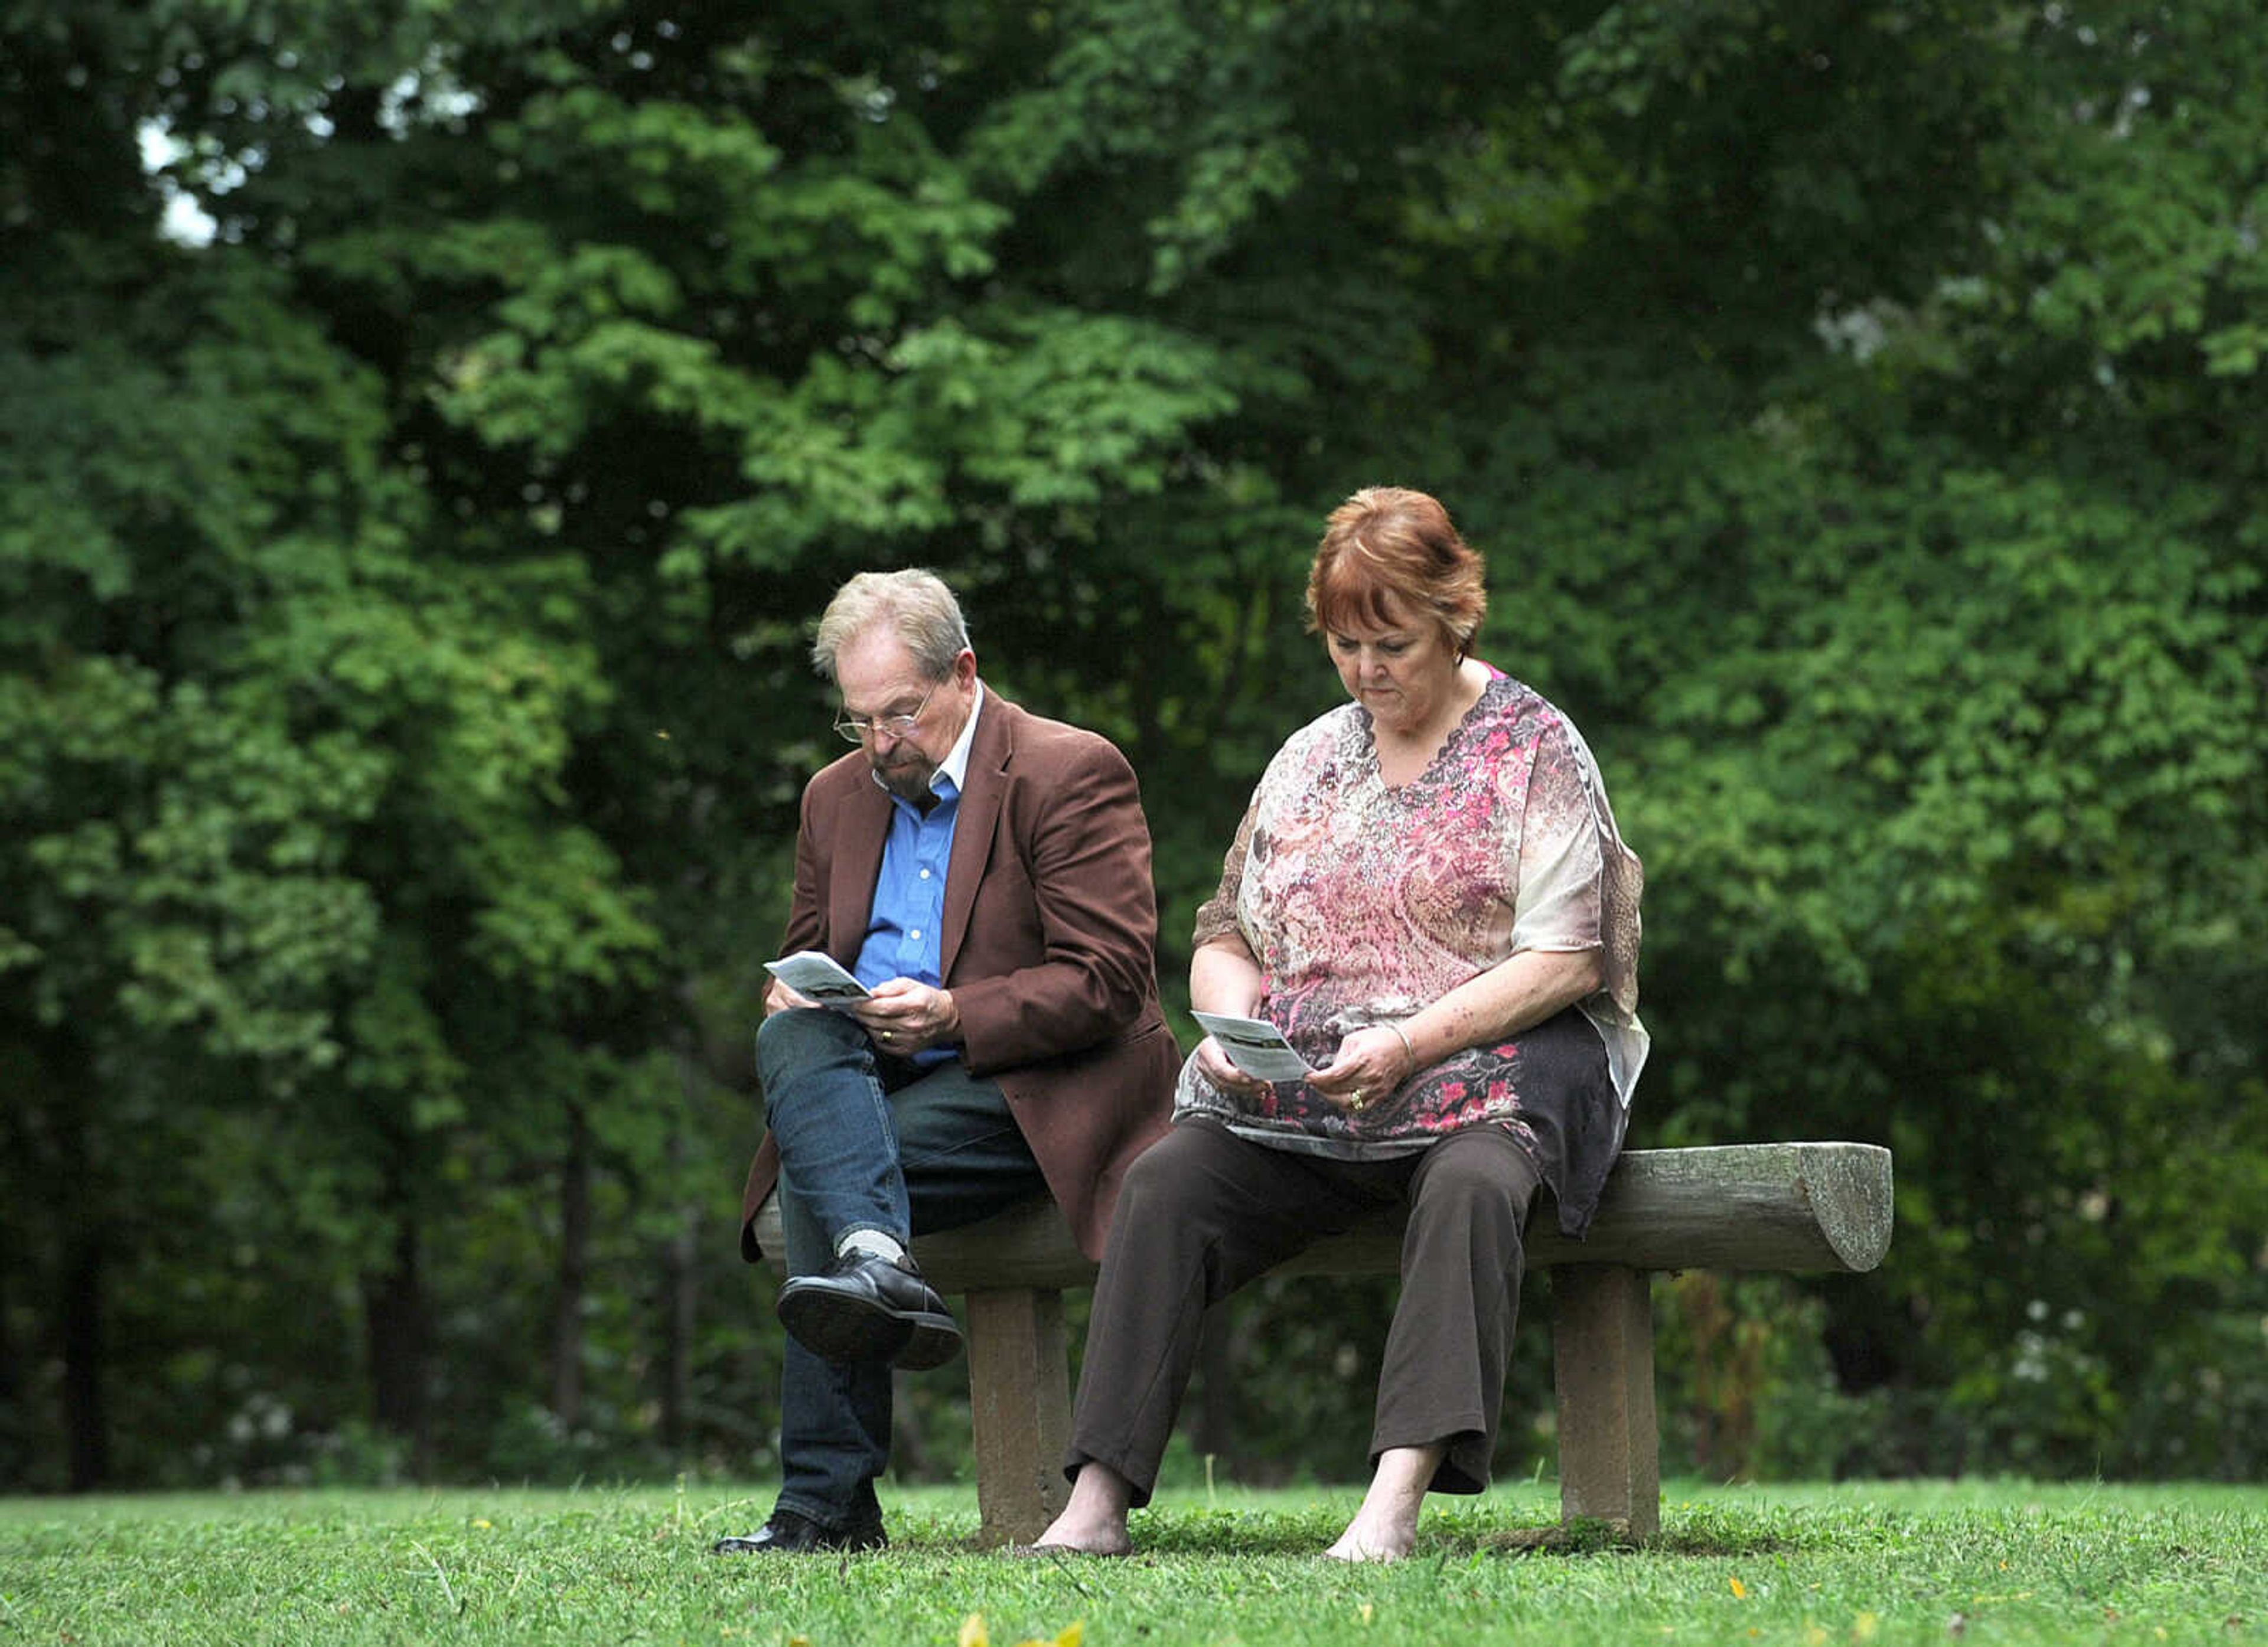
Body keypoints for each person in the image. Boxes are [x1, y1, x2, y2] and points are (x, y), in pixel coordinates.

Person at [1031, 487, 1648, 1561]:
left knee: (1471, 1186)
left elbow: (1573, 954)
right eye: (1344, 644)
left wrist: (1411, 1042)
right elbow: (1226, 933)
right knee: (1167, 1182)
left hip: (1482, 1081)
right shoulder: (1309, 759)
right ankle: (1095, 1498)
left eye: (1392, 643)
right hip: (1312, 1099)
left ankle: (1391, 1503)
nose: (1368, 670)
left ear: (1456, 615)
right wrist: (1227, 1028)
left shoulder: (1534, 746)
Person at [712, 569, 1179, 1556]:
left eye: (902, 713)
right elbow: (808, 947)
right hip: (871, 1073)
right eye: (860, 721)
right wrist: (797, 989)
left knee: (817, 1168)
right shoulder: (835, 799)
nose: (883, 743)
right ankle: (880, 1265)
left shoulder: (1069, 769)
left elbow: (1111, 978)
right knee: (790, 1036)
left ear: (963, 674)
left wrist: (955, 1013)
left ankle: (826, 1504)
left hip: (1032, 1084)